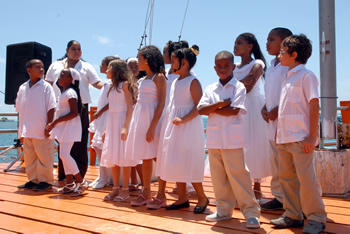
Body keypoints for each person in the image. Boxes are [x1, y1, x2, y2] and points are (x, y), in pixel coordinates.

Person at [270, 34, 327, 233]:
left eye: (282, 52)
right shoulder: (287, 77)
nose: (279, 56)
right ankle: (293, 214)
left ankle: (316, 218)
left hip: (301, 138)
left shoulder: (306, 76)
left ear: (294, 54)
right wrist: (278, 133)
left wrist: (312, 136)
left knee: (307, 180)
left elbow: (314, 104)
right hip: (285, 138)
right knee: (287, 179)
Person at [198, 51, 260, 229]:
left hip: (233, 140)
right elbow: (201, 110)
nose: (222, 69)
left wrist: (213, 108)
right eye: (219, 66)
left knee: (240, 176)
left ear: (233, 67)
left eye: (226, 66)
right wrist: (220, 104)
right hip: (215, 139)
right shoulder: (210, 88)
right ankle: (224, 210)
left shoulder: (238, 87)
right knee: (219, 178)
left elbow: (233, 111)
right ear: (215, 68)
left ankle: (251, 213)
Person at [152, 45, 209, 213]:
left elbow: (199, 106)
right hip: (175, 126)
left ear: (183, 63)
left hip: (188, 127)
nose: (170, 64)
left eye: (174, 61)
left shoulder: (193, 82)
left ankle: (202, 197)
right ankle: (182, 198)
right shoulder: (176, 81)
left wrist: (183, 119)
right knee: (177, 159)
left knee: (188, 159)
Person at [46, 40, 103, 180]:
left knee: (80, 141)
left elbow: (96, 83)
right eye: (73, 49)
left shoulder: (87, 66)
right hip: (60, 107)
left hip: (80, 108)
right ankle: (65, 176)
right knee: (62, 142)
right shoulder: (55, 66)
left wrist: (112, 86)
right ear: (67, 50)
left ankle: (80, 175)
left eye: (79, 49)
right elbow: (47, 84)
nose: (77, 51)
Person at [125, 45, 166, 206]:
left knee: (158, 157)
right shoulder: (143, 80)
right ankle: (147, 191)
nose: (138, 61)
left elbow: (161, 103)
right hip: (141, 120)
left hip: (153, 120)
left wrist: (152, 126)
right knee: (146, 156)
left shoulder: (159, 77)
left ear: (147, 60)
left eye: (140, 58)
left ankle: (162, 195)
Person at [233, 32, 271, 199]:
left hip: (252, 107)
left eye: (239, 43)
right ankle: (240, 187)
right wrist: (239, 84)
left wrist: (232, 85)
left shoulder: (258, 64)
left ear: (250, 46)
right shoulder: (234, 66)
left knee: (254, 145)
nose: (235, 46)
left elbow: (249, 86)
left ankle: (256, 187)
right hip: (237, 107)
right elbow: (243, 84)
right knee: (238, 146)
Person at [260, 28, 292, 211]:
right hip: (271, 123)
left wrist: (278, 110)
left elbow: (290, 92)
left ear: (285, 43)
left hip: (285, 122)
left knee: (289, 164)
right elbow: (270, 93)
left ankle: (295, 201)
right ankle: (279, 197)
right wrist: (265, 108)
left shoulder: (288, 66)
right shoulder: (272, 66)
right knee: (276, 162)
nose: (267, 43)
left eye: (271, 39)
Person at [100, 60, 139, 201]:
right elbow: (111, 109)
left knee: (125, 157)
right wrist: (105, 130)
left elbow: (130, 107)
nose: (106, 71)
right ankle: (115, 188)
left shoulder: (125, 85)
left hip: (123, 121)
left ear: (116, 70)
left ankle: (125, 189)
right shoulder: (111, 87)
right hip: (112, 123)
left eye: (108, 68)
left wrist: (125, 127)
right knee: (114, 156)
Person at [16, 59, 56, 191]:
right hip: (27, 129)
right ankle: (33, 179)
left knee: (45, 156)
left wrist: (49, 125)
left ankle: (46, 181)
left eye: (42, 67)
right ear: (29, 70)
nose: (41, 70)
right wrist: (20, 129)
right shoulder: (23, 87)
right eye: (38, 67)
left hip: (41, 128)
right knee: (29, 156)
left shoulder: (46, 87)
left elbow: (51, 107)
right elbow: (19, 108)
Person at [46, 68, 88, 196]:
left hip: (69, 127)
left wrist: (55, 122)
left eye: (62, 75)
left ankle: (81, 182)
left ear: (71, 79)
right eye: (60, 75)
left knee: (64, 155)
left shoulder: (70, 93)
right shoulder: (65, 92)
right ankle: (70, 183)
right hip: (65, 128)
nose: (59, 77)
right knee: (63, 155)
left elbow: (74, 113)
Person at [89, 56, 119, 189]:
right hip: (101, 118)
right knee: (97, 146)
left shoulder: (112, 84)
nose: (101, 67)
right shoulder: (106, 84)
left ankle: (105, 178)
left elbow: (111, 102)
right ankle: (101, 175)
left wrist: (100, 112)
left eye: (103, 64)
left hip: (106, 117)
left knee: (102, 146)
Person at [126, 57, 144, 191]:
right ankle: (133, 180)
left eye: (136, 66)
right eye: (130, 66)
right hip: (128, 117)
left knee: (138, 152)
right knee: (130, 151)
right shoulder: (126, 83)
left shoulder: (144, 81)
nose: (133, 69)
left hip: (139, 117)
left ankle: (144, 182)